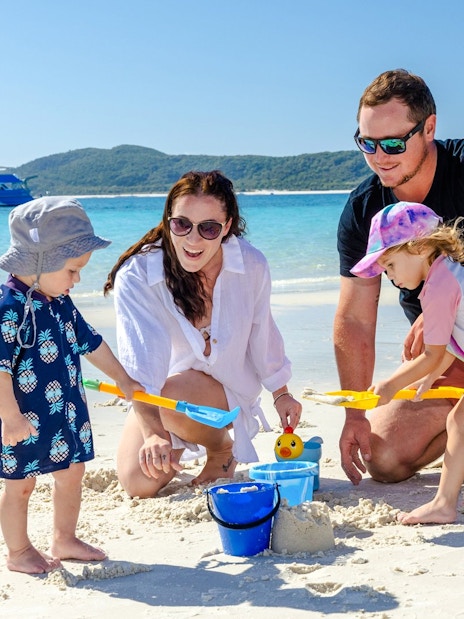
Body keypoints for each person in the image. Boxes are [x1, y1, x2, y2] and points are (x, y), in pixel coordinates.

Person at [104, 170, 302, 499]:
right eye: (182, 224)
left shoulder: (250, 265)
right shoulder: (139, 274)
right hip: (163, 394)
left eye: (208, 228)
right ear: (168, 221)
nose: (193, 240)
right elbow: (140, 362)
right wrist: (153, 433)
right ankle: (184, 433)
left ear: (226, 228)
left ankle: (222, 449)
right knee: (138, 482)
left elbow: (262, 333)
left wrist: (281, 393)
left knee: (167, 400)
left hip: (228, 391)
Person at [0, 197, 144, 574]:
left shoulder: (61, 301)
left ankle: (64, 538)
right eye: (72, 269)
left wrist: (124, 378)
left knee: (72, 473)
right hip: (22, 418)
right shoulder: (10, 306)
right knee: (20, 486)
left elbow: (91, 342)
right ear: (38, 264)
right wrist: (10, 417)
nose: (77, 279)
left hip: (65, 410)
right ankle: (18, 552)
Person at [334, 68, 464, 485]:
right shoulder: (363, 210)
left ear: (429, 128)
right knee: (384, 457)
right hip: (447, 356)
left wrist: (449, 304)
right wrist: (355, 412)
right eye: (366, 143)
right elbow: (354, 319)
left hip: (447, 336)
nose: (379, 156)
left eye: (392, 142)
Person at [351, 201, 464, 524]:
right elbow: (455, 345)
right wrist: (429, 380)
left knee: (458, 422)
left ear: (419, 246)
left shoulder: (438, 288)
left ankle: (444, 504)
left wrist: (392, 384)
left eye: (390, 265)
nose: (389, 276)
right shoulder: (452, 271)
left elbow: (431, 354)